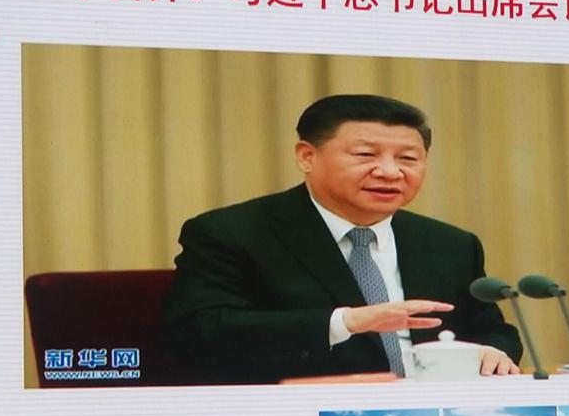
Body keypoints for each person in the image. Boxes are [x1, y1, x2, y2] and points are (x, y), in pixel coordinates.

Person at [162, 94, 523, 383]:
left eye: (408, 158)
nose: (389, 171)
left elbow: (494, 332)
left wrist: (490, 352)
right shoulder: (232, 233)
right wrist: (344, 322)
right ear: (307, 156)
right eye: (365, 155)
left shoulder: (450, 244)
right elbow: (199, 334)